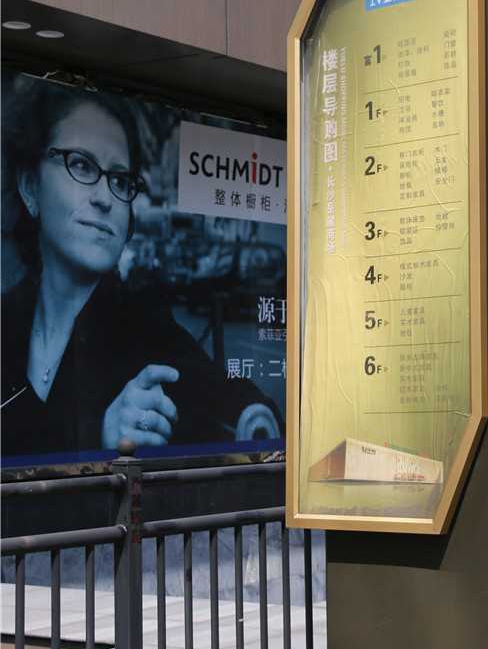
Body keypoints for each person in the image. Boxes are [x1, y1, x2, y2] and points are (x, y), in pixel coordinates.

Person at [1, 81, 282, 459]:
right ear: (29, 186)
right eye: (81, 164)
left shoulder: (140, 323)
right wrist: (97, 438)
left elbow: (224, 394)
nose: (105, 198)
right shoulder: (7, 318)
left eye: (120, 180)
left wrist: (254, 417)